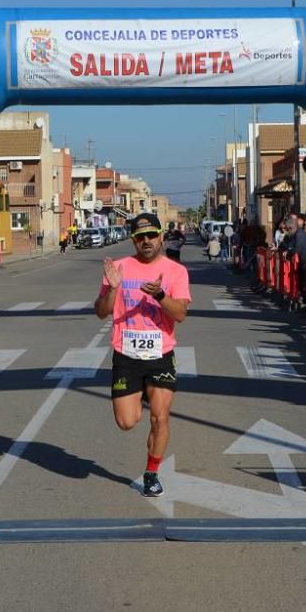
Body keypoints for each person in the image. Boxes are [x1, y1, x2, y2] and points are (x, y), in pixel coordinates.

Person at [94, 213, 191, 498]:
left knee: (160, 418)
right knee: (126, 422)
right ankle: (142, 394)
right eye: (140, 237)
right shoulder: (119, 268)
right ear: (133, 240)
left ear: (162, 237)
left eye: (151, 235)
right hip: (127, 354)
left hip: (160, 353)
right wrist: (113, 288)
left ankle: (151, 474)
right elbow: (101, 312)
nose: (146, 241)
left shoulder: (175, 271)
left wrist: (160, 296)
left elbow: (181, 315)